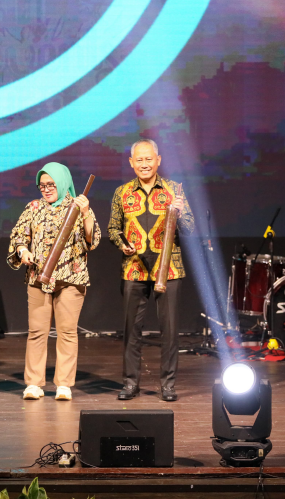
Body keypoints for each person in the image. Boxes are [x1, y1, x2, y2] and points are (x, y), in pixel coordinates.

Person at [107, 138, 194, 402]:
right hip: (133, 270)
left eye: (149, 159)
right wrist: (122, 244)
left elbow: (190, 228)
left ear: (158, 160)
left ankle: (168, 385)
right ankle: (130, 383)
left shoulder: (174, 190)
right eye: (139, 160)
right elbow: (113, 228)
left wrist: (181, 213)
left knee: (169, 331)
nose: (144, 164)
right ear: (131, 163)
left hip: (169, 270)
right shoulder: (122, 192)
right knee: (131, 331)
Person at [7, 163, 100, 401]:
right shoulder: (34, 207)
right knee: (37, 331)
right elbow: (19, 235)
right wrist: (22, 251)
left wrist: (86, 213)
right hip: (39, 277)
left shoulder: (78, 206)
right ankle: (34, 383)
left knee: (67, 332)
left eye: (51, 184)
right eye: (42, 185)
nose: (46, 189)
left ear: (62, 182)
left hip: (71, 277)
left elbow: (92, 240)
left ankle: (64, 384)